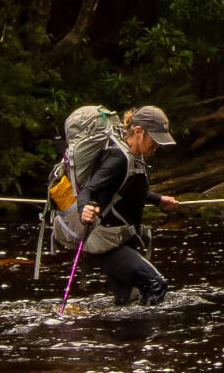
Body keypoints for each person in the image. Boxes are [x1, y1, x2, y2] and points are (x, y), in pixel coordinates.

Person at [54, 104, 182, 305]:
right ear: (138, 131)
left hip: (120, 241)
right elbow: (89, 191)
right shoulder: (118, 158)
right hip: (107, 244)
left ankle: (126, 335)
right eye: (154, 140)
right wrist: (84, 208)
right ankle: (153, 336)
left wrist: (158, 200)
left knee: (127, 301)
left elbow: (131, 190)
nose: (157, 147)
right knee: (156, 285)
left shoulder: (135, 157)